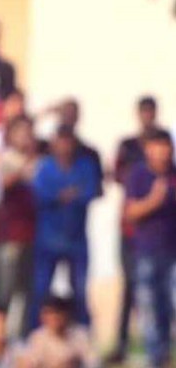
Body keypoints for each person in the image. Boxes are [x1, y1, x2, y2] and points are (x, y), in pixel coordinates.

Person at [30, 125, 100, 329]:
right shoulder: (45, 167)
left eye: (68, 142)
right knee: (41, 289)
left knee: (79, 290)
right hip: (47, 239)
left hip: (76, 239)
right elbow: (40, 195)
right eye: (61, 142)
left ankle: (82, 334)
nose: (65, 147)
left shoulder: (85, 166)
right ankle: (36, 335)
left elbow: (91, 191)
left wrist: (64, 196)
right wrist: (66, 195)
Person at [108, 95, 160, 364]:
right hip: (131, 231)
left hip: (156, 235)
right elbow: (115, 175)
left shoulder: (164, 148)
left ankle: (156, 344)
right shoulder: (127, 147)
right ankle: (123, 343)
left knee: (156, 291)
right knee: (130, 288)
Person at [123, 129, 176, 368]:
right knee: (149, 306)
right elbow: (130, 213)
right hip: (147, 252)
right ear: (148, 149)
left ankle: (166, 351)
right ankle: (156, 356)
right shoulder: (139, 175)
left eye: (167, 146)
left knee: (170, 303)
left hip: (173, 252)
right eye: (158, 146)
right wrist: (154, 200)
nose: (163, 152)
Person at [0, 115, 37, 338]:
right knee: (6, 290)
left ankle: (21, 336)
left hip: (33, 235)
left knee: (27, 290)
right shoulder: (4, 160)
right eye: (20, 132)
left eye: (28, 132)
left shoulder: (39, 160)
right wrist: (21, 170)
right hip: (9, 236)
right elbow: (0, 186)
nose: (25, 137)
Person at [22, 296, 97, 368]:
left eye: (57, 314)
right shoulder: (38, 338)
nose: (53, 319)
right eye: (49, 314)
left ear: (66, 315)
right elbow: (27, 363)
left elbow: (93, 362)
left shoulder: (80, 335)